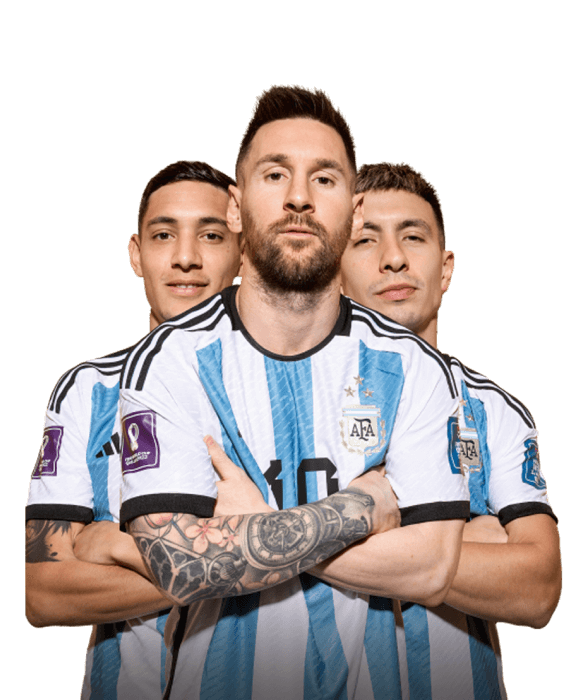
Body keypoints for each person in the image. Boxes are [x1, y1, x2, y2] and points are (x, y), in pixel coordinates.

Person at [117, 84, 470, 700]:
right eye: (275, 174)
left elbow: (432, 568)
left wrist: (253, 526)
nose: (299, 197)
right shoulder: (168, 361)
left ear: (353, 211)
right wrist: (359, 509)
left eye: (324, 179)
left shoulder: (412, 367)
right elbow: (181, 567)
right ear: (235, 206)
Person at [335, 161, 561, 699]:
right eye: (365, 240)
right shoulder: (286, 396)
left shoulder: (495, 410)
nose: (394, 258)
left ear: (446, 267)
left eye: (413, 236)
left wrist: (321, 532)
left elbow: (538, 588)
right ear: (333, 272)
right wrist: (472, 533)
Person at [25, 159, 242, 699]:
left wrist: (116, 546)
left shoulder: (286, 384)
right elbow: (44, 593)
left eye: (211, 235)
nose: (186, 257)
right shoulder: (87, 389)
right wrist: (244, 568)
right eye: (164, 234)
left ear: (244, 252)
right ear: (135, 254)